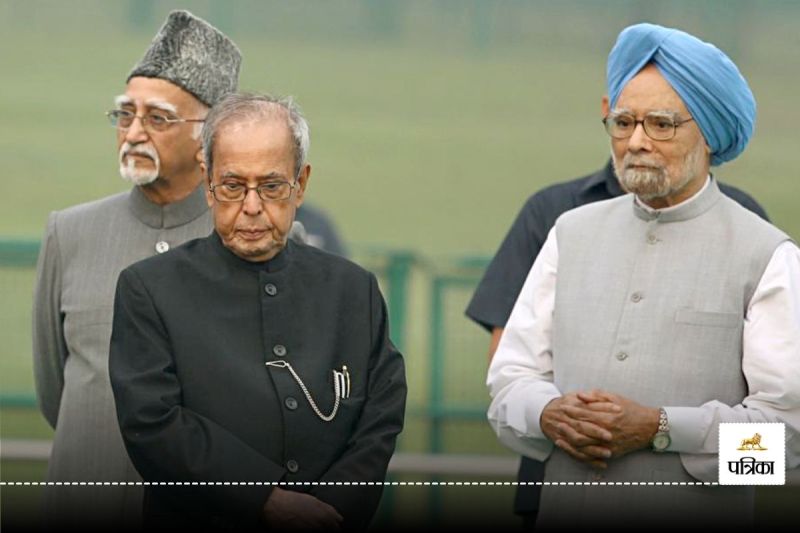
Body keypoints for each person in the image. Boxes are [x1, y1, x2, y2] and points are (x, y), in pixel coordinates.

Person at [486, 23, 800, 527]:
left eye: (660, 124)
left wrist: (661, 429)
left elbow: (784, 449)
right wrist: (547, 415)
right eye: (623, 122)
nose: (636, 142)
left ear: (709, 134)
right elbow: (506, 389)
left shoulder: (766, 254)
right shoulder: (570, 232)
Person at [108, 93, 407, 530]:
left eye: (271, 187)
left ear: (300, 184)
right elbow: (152, 424)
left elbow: (380, 419)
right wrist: (265, 500)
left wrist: (327, 512)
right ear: (208, 183)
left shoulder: (352, 290)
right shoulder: (150, 290)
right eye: (233, 186)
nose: (251, 206)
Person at [32, 10, 241, 528]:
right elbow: (56, 390)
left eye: (158, 118)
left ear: (209, 136)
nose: (134, 132)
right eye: (125, 115)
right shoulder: (69, 232)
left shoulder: (251, 238)